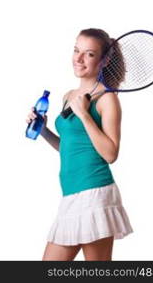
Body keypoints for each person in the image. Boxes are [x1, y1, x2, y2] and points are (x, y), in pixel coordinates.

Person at [26, 28, 132, 261]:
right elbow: (70, 148)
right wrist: (43, 130)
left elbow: (110, 154)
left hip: (96, 193)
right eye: (76, 50)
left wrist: (84, 115)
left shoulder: (107, 99)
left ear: (104, 61)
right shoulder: (69, 95)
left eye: (89, 54)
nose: (79, 58)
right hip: (71, 195)